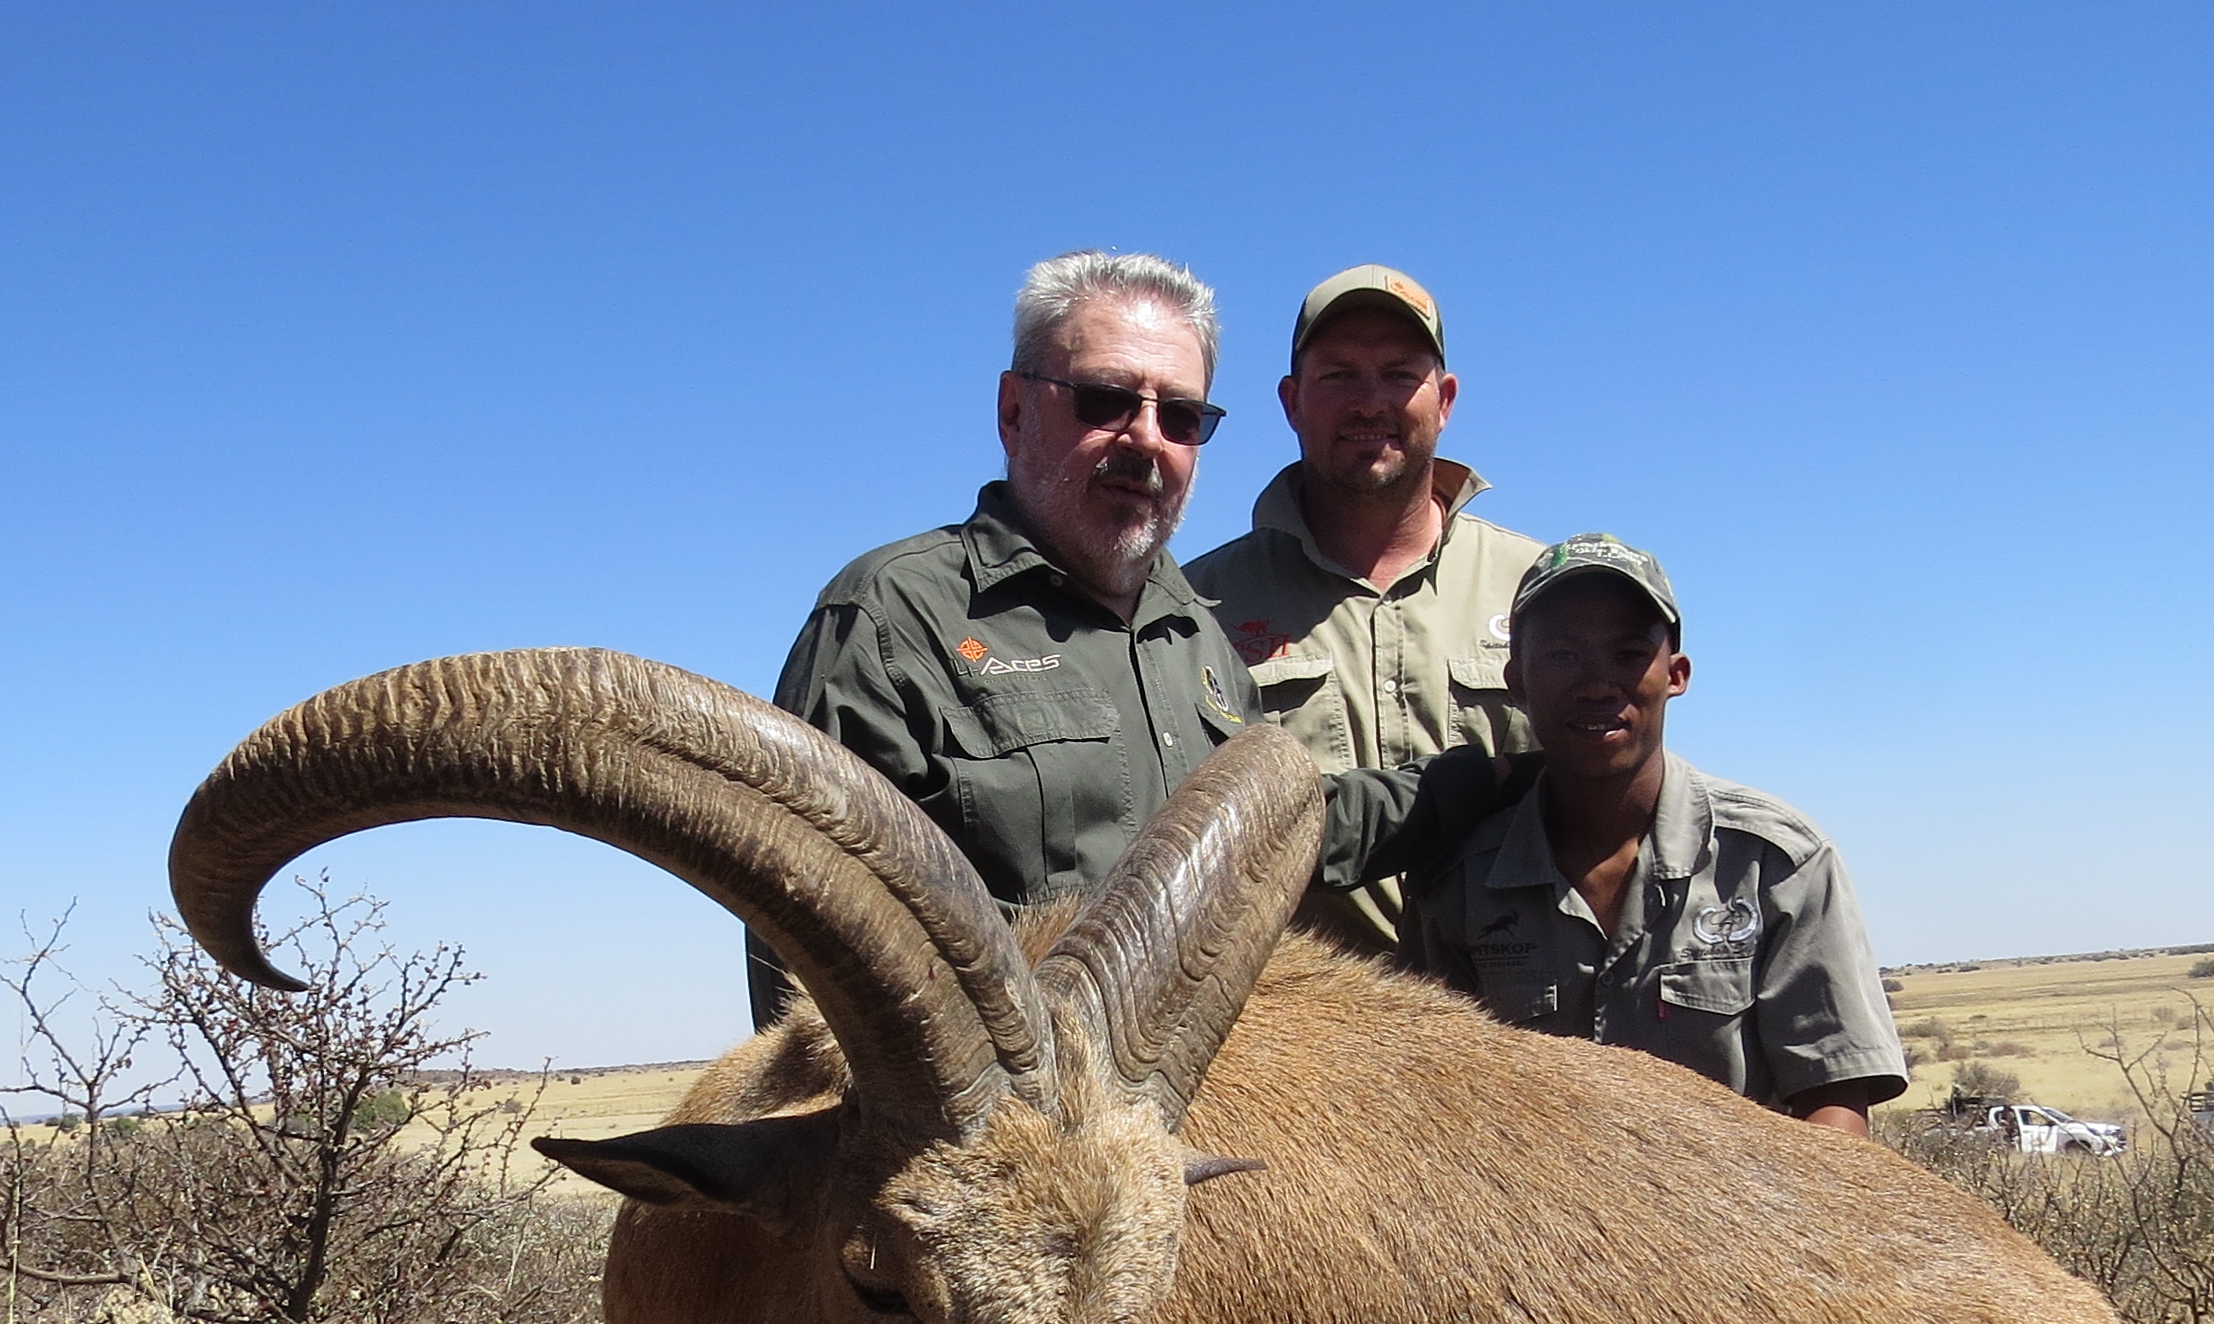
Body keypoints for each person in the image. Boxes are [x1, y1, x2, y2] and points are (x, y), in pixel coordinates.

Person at [755, 251, 1524, 1025]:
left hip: (1224, 1089)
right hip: (1022, 1103)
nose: (1146, 438)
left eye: (1181, 416)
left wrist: (1491, 779)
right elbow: (801, 947)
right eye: (1105, 401)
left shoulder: (1196, 631)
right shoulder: (891, 618)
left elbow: (1286, 831)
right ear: (1014, 411)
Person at [1410, 533, 1907, 1130]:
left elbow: (1836, 1100)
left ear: (1676, 674)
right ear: (1515, 678)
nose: (1598, 685)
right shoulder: (1461, 883)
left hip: (1736, 1188)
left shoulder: (1775, 862)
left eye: (1628, 654)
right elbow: (1438, 1105)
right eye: (1563, 655)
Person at [1184, 265, 1544, 954]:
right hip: (1310, 1014)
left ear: (1445, 399)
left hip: (1517, 1004)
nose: (1370, 402)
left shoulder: (1538, 588)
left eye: (1399, 374)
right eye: (1339, 375)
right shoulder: (1194, 609)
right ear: (1292, 401)